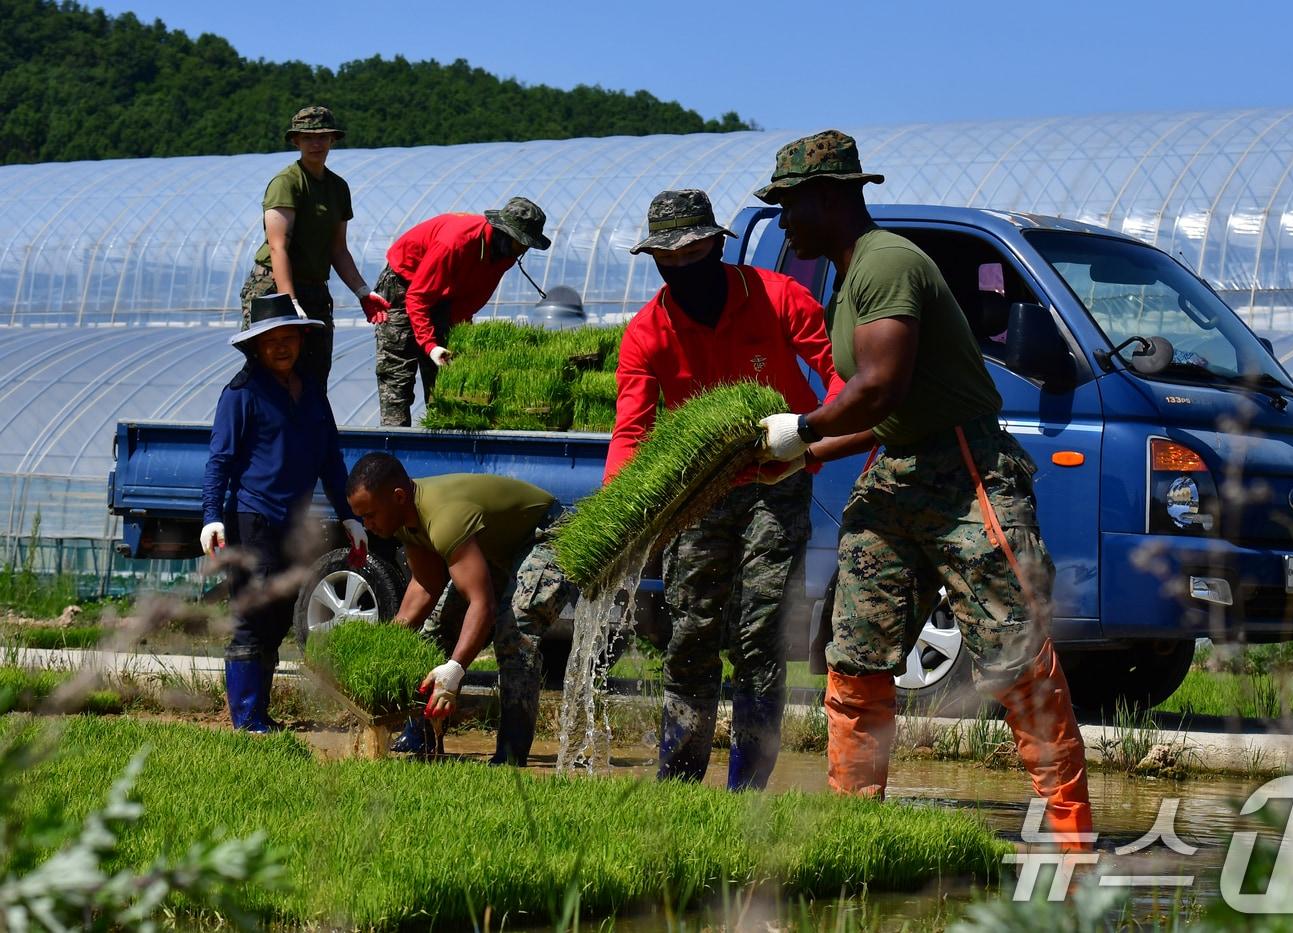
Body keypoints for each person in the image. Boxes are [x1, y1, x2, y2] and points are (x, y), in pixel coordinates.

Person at [753, 130, 1094, 848]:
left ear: (828, 196)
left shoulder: (888, 263)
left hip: (965, 471)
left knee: (1015, 655)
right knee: (856, 650)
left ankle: (1071, 839)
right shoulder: (848, 281)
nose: (783, 221)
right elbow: (883, 417)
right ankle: (852, 824)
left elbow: (881, 387)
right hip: (898, 470)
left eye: (789, 204)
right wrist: (800, 455)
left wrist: (803, 428)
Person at [607, 189, 844, 791]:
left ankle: (746, 792)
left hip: (776, 482)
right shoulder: (647, 333)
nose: (683, 269)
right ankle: (680, 783)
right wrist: (620, 525)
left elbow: (841, 375)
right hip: (700, 492)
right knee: (691, 635)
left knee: (759, 636)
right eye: (668, 260)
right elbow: (631, 433)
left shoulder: (777, 297)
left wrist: (812, 440)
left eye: (694, 254)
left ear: (718, 244)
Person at [202, 293, 369, 732]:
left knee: (278, 615)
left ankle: (259, 713)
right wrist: (211, 516)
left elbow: (331, 458)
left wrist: (349, 514)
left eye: (289, 337)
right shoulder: (241, 394)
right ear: (256, 346)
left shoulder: (312, 393)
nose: (281, 346)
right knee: (253, 615)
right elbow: (219, 460)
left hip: (293, 524)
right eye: (271, 339)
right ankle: (247, 719)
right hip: (251, 518)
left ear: (300, 341)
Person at [344, 453, 573, 764]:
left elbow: (483, 604)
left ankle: (509, 756)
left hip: (549, 535)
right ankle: (421, 735)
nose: (366, 526)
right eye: (361, 518)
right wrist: (388, 642)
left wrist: (455, 669)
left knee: (513, 630)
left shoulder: (443, 519)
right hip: (499, 548)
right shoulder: (402, 518)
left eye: (370, 515)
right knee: (434, 629)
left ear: (398, 497)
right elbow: (426, 585)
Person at [238, 105, 389, 385]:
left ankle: (310, 428)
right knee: (270, 373)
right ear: (296, 141)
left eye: (322, 136)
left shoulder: (338, 188)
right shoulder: (287, 183)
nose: (316, 143)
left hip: (315, 288)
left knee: (314, 374)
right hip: (273, 287)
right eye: (308, 138)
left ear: (333, 139)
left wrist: (363, 292)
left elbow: (338, 249)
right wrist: (289, 301)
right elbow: (277, 246)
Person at [372, 198, 551, 426]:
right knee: (398, 378)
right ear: (505, 233)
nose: (525, 248)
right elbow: (418, 296)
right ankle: (393, 452)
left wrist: (456, 333)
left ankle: (441, 447)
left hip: (442, 296)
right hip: (403, 286)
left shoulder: (506, 254)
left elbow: (474, 295)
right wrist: (429, 344)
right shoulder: (456, 242)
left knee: (445, 377)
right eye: (522, 242)